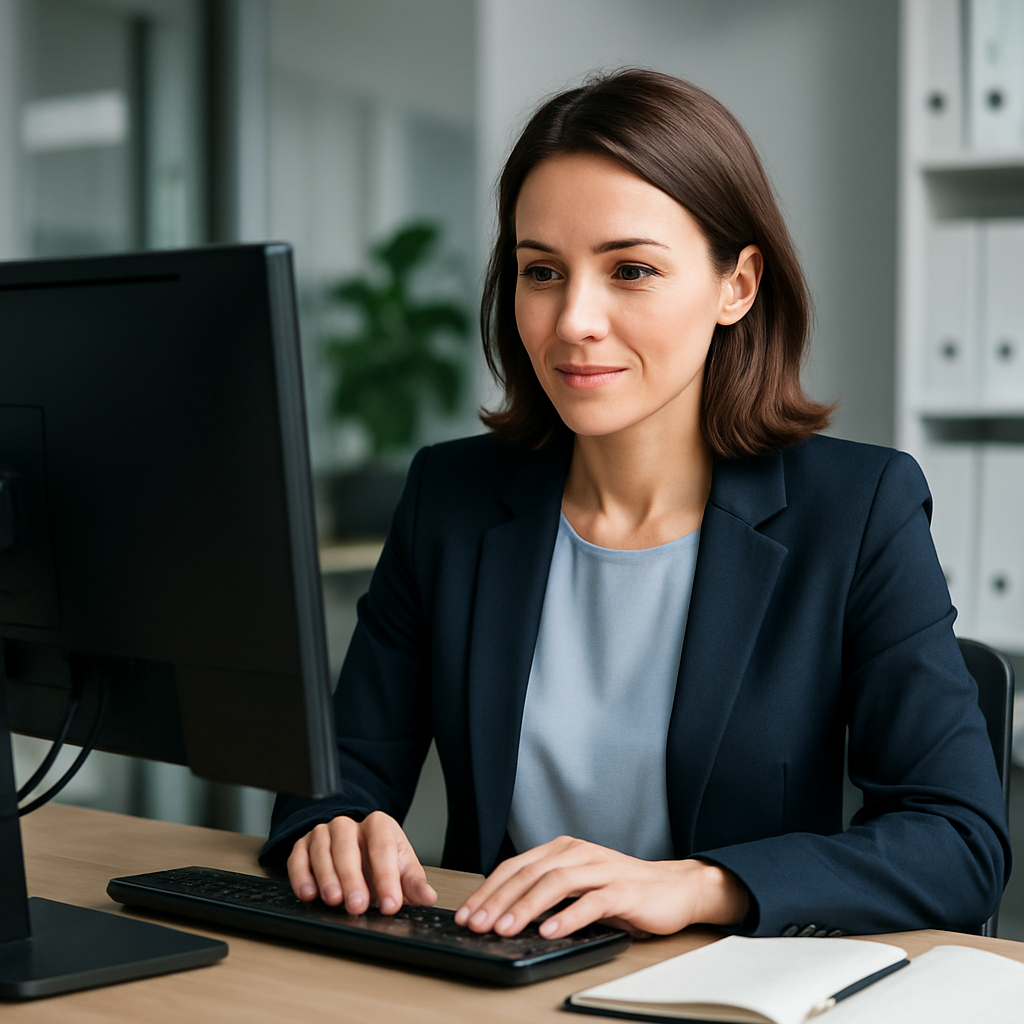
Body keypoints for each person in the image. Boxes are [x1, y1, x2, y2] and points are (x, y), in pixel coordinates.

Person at [261, 69, 1010, 940]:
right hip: (502, 982)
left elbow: (957, 842)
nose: (574, 318)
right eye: (543, 271)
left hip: (722, 990)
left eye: (631, 270)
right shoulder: (450, 499)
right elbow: (340, 770)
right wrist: (332, 830)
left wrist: (696, 887)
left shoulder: (857, 509)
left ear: (737, 285)